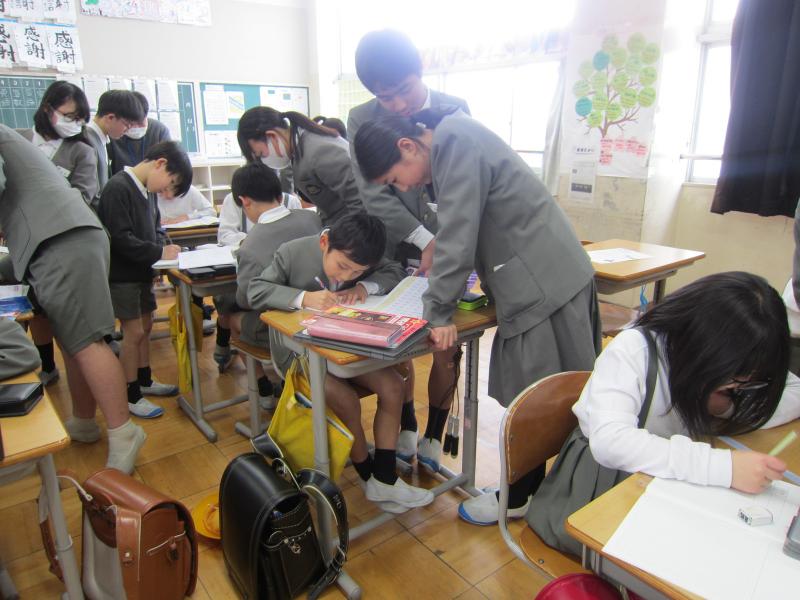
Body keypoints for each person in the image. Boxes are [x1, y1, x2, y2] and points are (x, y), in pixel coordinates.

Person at [354, 108, 601, 525]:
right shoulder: (453, 139)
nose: (404, 187)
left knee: (538, 397)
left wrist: (437, 311)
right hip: (543, 279)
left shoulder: (453, 141)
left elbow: (458, 234)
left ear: (407, 146)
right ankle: (526, 488)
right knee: (539, 393)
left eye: (396, 178)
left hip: (544, 285)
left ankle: (518, 497)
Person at [529, 272, 800, 555]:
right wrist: (725, 467)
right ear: (705, 348)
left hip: (660, 475)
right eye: (731, 379)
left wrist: (726, 406)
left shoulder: (708, 366)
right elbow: (611, 443)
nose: (736, 387)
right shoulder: (634, 349)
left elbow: (794, 390)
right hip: (603, 485)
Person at [247, 213, 434, 512]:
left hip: (346, 347)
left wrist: (364, 287)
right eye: (343, 266)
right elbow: (254, 290)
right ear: (324, 242)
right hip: (300, 354)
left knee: (393, 387)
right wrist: (304, 298)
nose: (347, 275)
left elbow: (393, 271)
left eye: (357, 271)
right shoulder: (292, 253)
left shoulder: (362, 258)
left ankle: (384, 478)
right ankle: (367, 474)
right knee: (345, 400)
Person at [348, 29, 472, 469]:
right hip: (392, 244)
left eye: (404, 90)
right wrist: (424, 240)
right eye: (385, 97)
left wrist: (444, 243)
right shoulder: (361, 119)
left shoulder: (454, 109)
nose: (398, 104)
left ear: (420, 69)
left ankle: (434, 434)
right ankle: (404, 422)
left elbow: (462, 189)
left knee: (445, 344)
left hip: (448, 246)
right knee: (396, 339)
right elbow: (374, 194)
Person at [0, 124, 144, 473]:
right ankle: (83, 420)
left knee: (86, 341)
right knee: (73, 339)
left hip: (59, 236)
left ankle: (124, 432)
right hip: (59, 235)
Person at [97, 141, 192, 419]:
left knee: (146, 325)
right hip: (122, 276)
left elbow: (155, 228)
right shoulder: (118, 188)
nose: (166, 191)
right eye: (170, 183)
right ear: (160, 164)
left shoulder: (146, 191)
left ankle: (144, 379)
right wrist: (158, 251)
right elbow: (120, 239)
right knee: (134, 332)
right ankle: (130, 393)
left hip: (142, 272)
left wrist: (165, 246)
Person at [17, 80, 99, 386]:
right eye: (68, 116)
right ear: (47, 109)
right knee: (30, 308)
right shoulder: (19, 141)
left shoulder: (81, 151)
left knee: (60, 312)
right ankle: (45, 364)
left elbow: (83, 198)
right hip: (19, 242)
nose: (73, 124)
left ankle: (68, 372)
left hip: (58, 243)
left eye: (79, 119)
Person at [228, 163, 321, 403]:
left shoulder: (250, 246)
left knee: (231, 318)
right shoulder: (313, 219)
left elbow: (247, 299)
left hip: (282, 327)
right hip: (323, 310)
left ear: (244, 201)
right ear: (280, 195)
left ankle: (262, 388)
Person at [237, 106, 364, 227]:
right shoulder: (300, 151)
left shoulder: (318, 151)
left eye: (261, 154)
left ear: (272, 136)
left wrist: (346, 238)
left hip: (358, 228)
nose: (264, 161)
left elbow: (359, 203)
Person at [84, 89, 145, 209]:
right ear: (110, 118)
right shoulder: (87, 142)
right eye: (127, 125)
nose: (127, 131)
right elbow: (90, 194)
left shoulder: (100, 139)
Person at [109, 90, 172, 175]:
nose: (136, 127)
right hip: (121, 181)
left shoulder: (160, 131)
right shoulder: (115, 133)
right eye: (131, 124)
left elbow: (169, 167)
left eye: (140, 123)